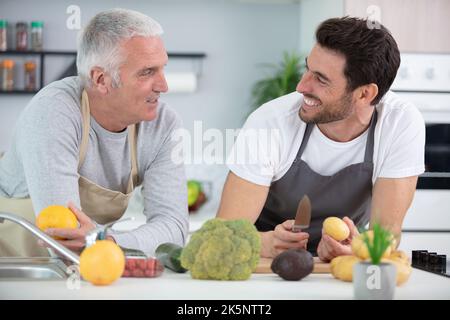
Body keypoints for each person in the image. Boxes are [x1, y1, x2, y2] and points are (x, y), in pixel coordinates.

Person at [217, 17, 425, 261]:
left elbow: (386, 233)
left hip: (337, 269)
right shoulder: (270, 122)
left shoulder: (400, 123)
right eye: (308, 69)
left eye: (321, 78)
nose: (301, 86)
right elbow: (223, 233)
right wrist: (261, 243)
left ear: (365, 94)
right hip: (264, 265)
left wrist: (358, 249)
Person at [0, 8, 188, 257]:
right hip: (17, 267)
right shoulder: (54, 111)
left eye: (162, 68)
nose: (164, 85)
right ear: (101, 79)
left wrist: (104, 239)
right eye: (147, 72)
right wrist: (104, 240)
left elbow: (174, 228)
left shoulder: (163, 125)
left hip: (86, 266)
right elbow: (63, 235)